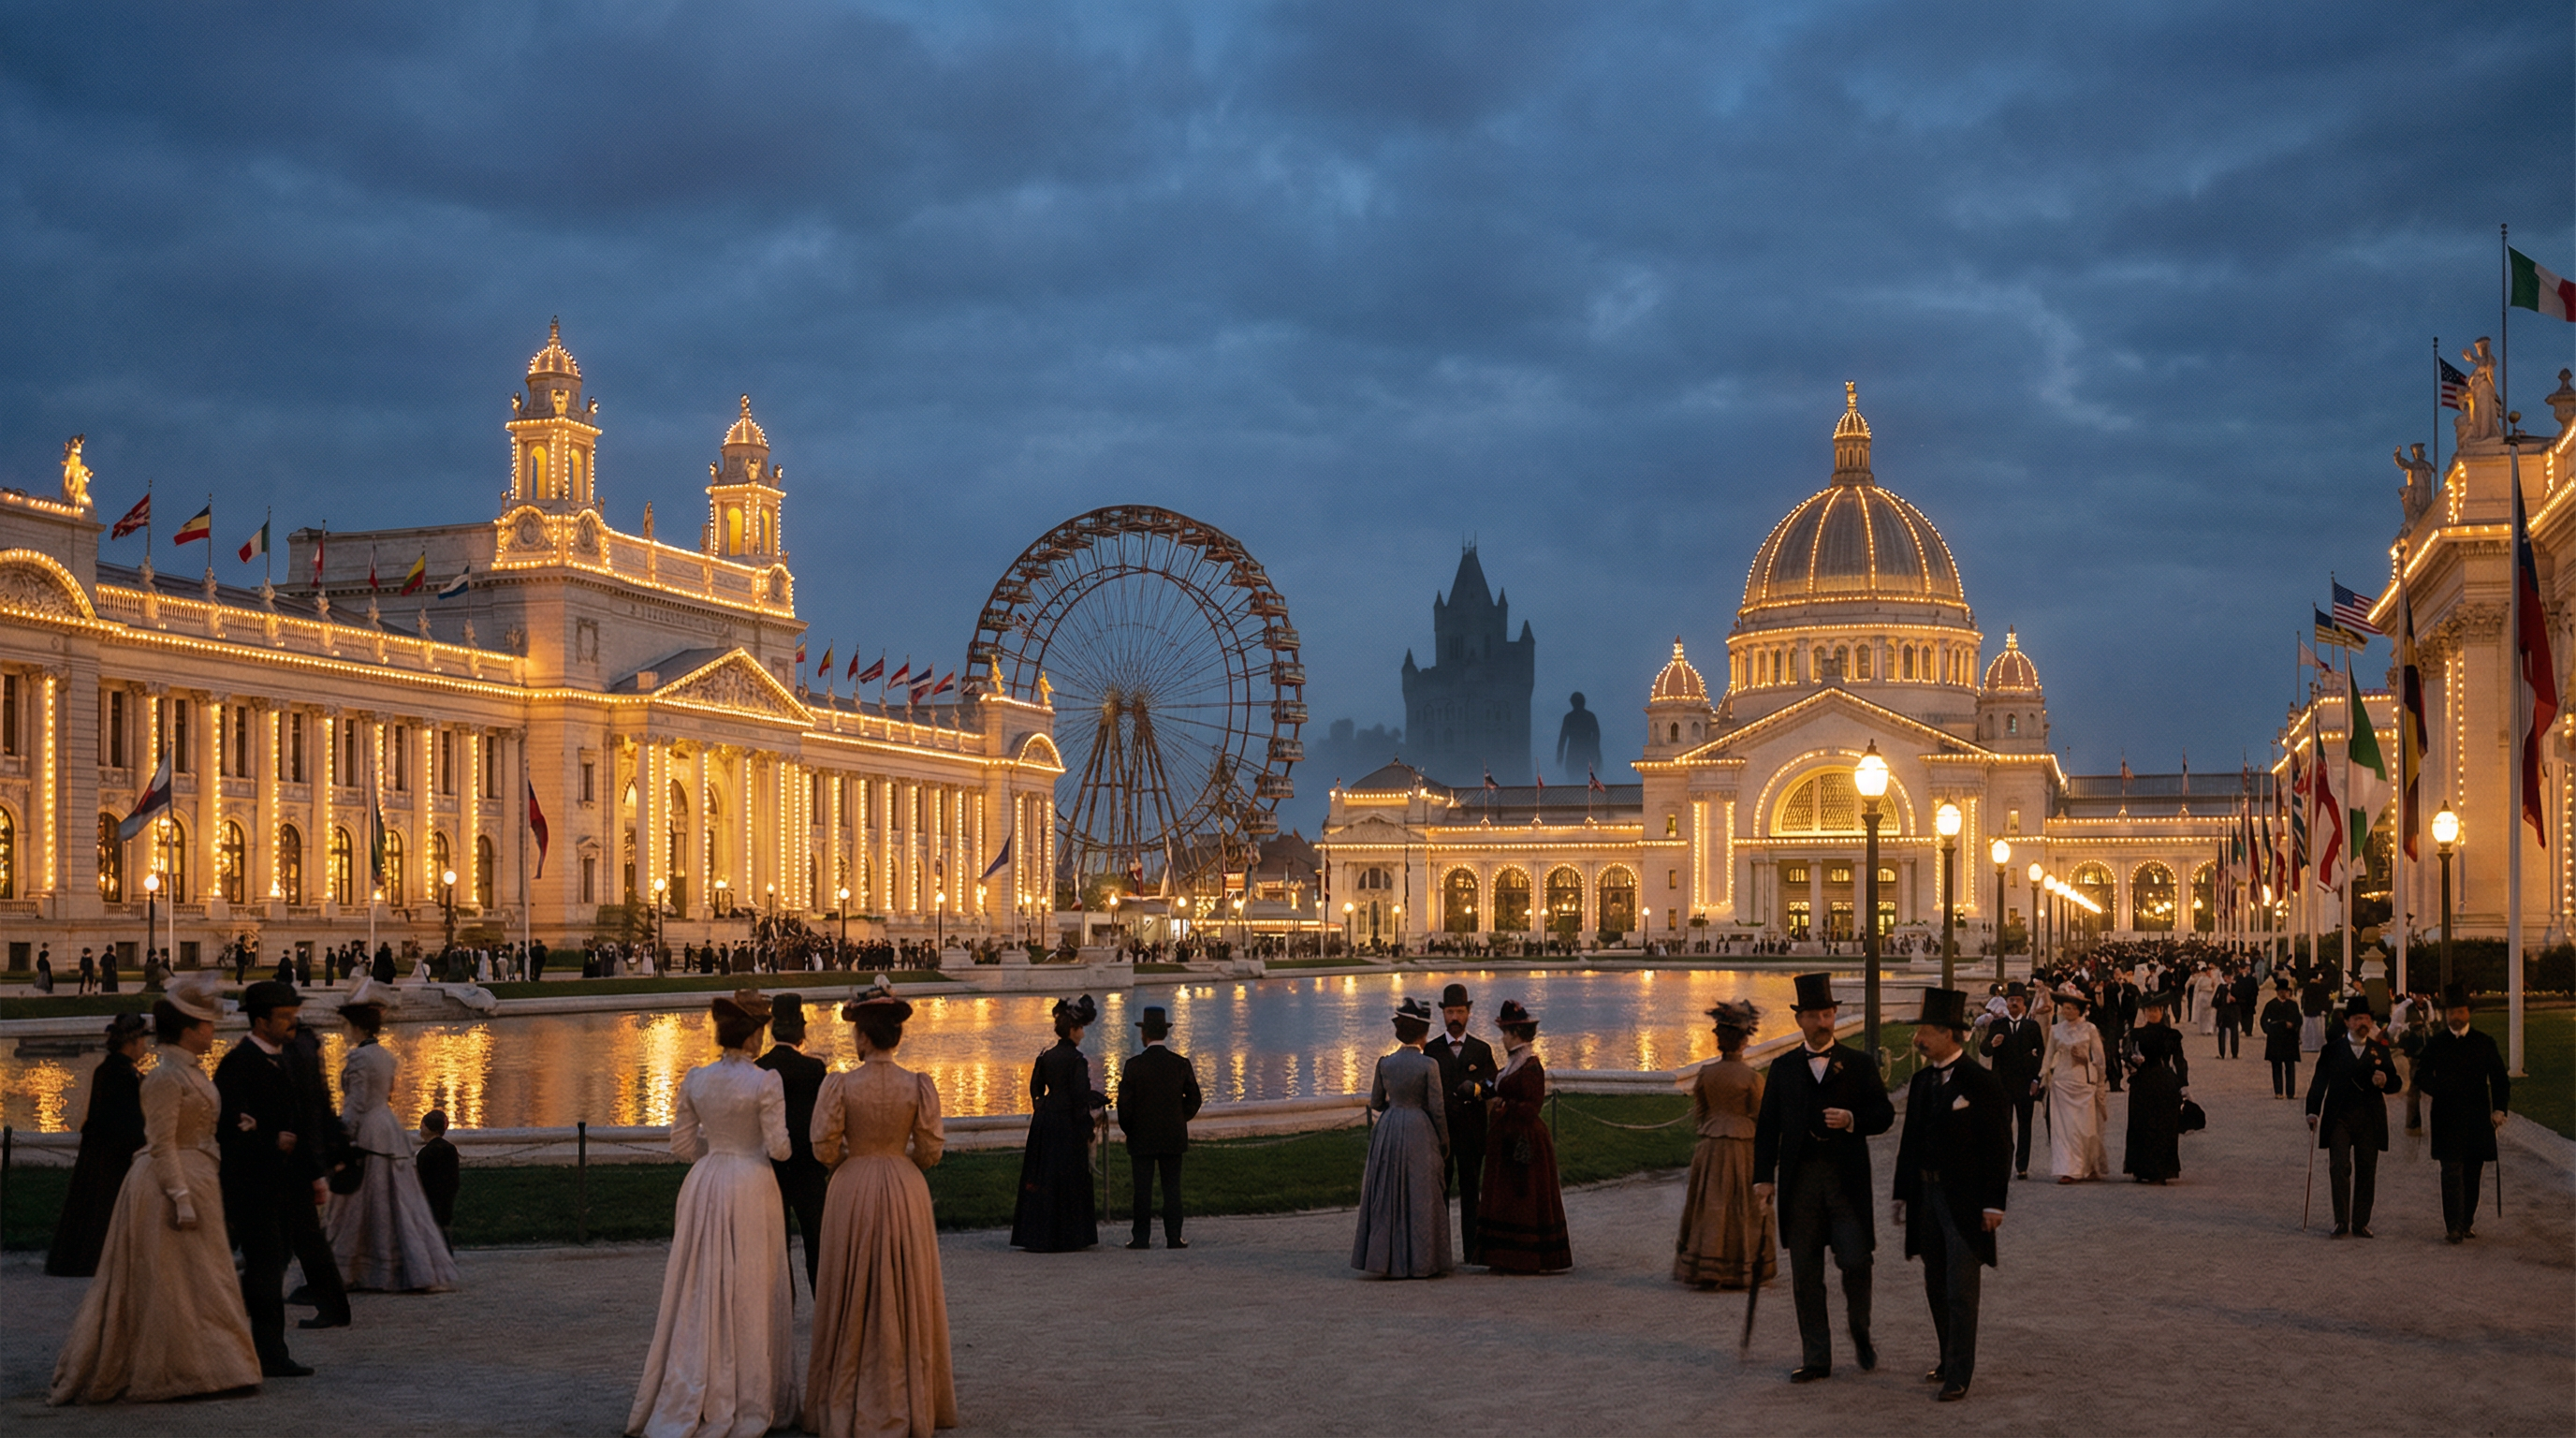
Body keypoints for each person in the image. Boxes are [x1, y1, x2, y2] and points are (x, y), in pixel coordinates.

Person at [49, 973, 263, 1403]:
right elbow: (161, 1142)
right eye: (206, 1025)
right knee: (173, 1286)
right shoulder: (164, 1077)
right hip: (168, 1185)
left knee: (206, 1281)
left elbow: (195, 1122)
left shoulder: (188, 1072)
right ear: (187, 1030)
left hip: (196, 1178)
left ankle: (216, 1367)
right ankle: (180, 1371)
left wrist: (233, 1125)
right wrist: (180, 1196)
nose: (212, 1030)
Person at [628, 990, 798, 1438]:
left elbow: (682, 1145)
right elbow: (779, 1148)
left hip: (705, 1185)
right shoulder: (766, 1082)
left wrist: (718, 1149)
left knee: (700, 1289)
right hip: (752, 1184)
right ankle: (749, 1396)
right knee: (752, 1289)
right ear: (755, 1034)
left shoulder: (696, 1078)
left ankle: (697, 1385)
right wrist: (750, 1149)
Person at [805, 978, 956, 1438]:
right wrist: (900, 1160)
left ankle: (847, 1397)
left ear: (864, 1037)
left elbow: (823, 1147)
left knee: (849, 1290)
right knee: (908, 1291)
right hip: (904, 1187)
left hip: (852, 1187)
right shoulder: (918, 1085)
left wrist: (853, 1159)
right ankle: (910, 1397)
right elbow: (930, 1150)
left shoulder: (841, 1086)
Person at [1752, 973, 1895, 1383]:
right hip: (1800, 1185)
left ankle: (1859, 1328)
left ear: (1835, 1015)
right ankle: (1816, 1356)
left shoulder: (1860, 1064)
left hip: (1845, 1184)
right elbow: (1767, 1129)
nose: (1821, 1022)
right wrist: (1763, 1178)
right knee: (1806, 1276)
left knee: (1855, 1261)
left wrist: (1853, 1120)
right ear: (1800, 1020)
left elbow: (1884, 1115)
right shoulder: (1782, 1069)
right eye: (1813, 1015)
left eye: (1827, 1014)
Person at [1891, 990, 2010, 1403]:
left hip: (1965, 1200)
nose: (1918, 1039)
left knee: (1961, 1288)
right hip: (1926, 1194)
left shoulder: (1981, 1081)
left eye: (1925, 1031)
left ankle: (1960, 1373)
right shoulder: (1922, 1081)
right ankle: (1946, 1355)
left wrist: (1995, 1202)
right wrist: (1902, 1193)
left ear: (1948, 1035)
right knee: (1934, 1283)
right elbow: (1910, 1141)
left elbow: (1999, 1145)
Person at [214, 979, 336, 1377]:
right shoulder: (239, 1063)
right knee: (265, 1269)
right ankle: (267, 1353)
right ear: (261, 1020)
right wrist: (270, 1140)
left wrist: (314, 1173)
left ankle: (264, 1348)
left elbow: (300, 1121)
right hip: (255, 1187)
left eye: (294, 1016)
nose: (292, 1023)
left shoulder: (283, 1057)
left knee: (272, 1267)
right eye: (285, 1017)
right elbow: (228, 1129)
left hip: (286, 1184)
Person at [324, 978, 458, 1292]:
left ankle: (357, 1267)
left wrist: (343, 1138)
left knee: (358, 1205)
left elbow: (355, 1105)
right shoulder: (386, 1056)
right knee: (400, 1203)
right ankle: (406, 1265)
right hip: (389, 1129)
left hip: (369, 1133)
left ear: (355, 1026)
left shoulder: (358, 1058)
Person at [1674, 999, 1774, 1289]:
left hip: (1710, 1146)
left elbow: (1701, 1112)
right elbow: (1760, 1117)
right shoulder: (1753, 1078)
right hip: (1743, 1146)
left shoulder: (1706, 1074)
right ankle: (1740, 1265)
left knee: (1710, 1204)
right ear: (1744, 1041)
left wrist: (1709, 1131)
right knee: (1743, 1207)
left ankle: (1706, 1262)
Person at [1352, 997, 1452, 1278]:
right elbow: (1438, 1108)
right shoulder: (1429, 1065)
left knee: (1386, 1194)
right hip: (1419, 1128)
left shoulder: (1385, 1063)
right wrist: (1444, 1142)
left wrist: (1394, 1107)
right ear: (1423, 1033)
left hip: (1389, 1126)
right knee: (1420, 1195)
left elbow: (1375, 1102)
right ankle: (1421, 1260)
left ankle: (1384, 1259)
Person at [45, 1013, 151, 1277]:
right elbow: (128, 1120)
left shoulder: (110, 1069)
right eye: (143, 1042)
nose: (146, 1048)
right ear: (133, 1042)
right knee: (103, 1211)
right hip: (114, 1156)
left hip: (102, 1150)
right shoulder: (121, 1073)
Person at [2411, 982, 2511, 1243]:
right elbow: (2420, 1075)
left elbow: (2500, 1079)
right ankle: (2452, 1227)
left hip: (2478, 1118)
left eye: (2460, 1012)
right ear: (2446, 1015)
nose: (2455, 1017)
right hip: (2445, 1116)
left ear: (2468, 1013)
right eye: (2451, 1013)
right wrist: (2438, 1089)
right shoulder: (2437, 1043)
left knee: (2472, 1174)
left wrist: (2500, 1109)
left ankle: (2467, 1221)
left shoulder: (2484, 1043)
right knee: (2450, 1172)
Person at [1478, 1000, 1571, 1272]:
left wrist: (1506, 1106)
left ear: (1515, 1035)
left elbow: (1533, 1107)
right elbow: (1497, 1085)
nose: (1503, 1039)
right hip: (1506, 1136)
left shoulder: (1530, 1067)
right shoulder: (1514, 1064)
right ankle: (1504, 1255)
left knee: (1522, 1195)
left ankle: (1523, 1256)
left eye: (1505, 1034)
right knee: (1507, 1195)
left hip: (1524, 1140)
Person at [2305, 993, 2403, 1238]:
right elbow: (2319, 1082)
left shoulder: (2379, 1051)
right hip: (2339, 1116)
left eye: (2367, 1019)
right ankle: (2341, 1220)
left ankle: (2361, 1222)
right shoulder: (2332, 1050)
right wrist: (2312, 1111)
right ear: (2348, 1021)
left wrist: (2386, 1081)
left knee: (2367, 1169)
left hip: (2370, 1118)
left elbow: (2396, 1083)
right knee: (2339, 1166)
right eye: (2358, 1018)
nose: (2363, 1023)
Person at [1010, 994, 1103, 1252]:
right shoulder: (1077, 1060)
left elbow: (1036, 1089)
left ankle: (1039, 1232)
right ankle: (1069, 1235)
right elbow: (1079, 1098)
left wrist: (1044, 1108)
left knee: (1044, 1175)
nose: (1083, 1034)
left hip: (1046, 1122)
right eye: (1081, 1029)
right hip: (1066, 1125)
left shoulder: (1045, 1056)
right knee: (1068, 1176)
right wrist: (1087, 1130)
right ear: (1072, 1030)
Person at [758, 993, 831, 1299]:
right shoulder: (814, 1069)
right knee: (817, 1243)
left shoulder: (759, 1069)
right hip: (809, 1169)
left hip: (771, 1170)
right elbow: (823, 1118)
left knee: (777, 1246)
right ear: (801, 1031)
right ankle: (824, 1305)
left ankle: (782, 1307)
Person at [1117, 1005, 1204, 1251]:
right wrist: (1179, 1117)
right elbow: (1195, 1099)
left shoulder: (1133, 1065)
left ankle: (1141, 1237)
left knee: (1142, 1190)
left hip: (1141, 1136)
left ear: (1144, 1034)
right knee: (1172, 1188)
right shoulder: (1180, 1063)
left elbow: (1124, 1105)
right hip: (1172, 1135)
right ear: (1165, 1033)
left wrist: (1130, 1128)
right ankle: (1174, 1237)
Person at [1423, 982, 1499, 1262]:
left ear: (1468, 1013)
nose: (1454, 1018)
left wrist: (1477, 1089)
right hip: (1440, 1135)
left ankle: (1473, 1253)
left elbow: (1493, 1084)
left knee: (1471, 1195)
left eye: (1459, 1012)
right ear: (1443, 1014)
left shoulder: (1482, 1049)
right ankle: (1440, 1253)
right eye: (1450, 1012)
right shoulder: (1431, 1050)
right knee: (1439, 1195)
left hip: (1471, 1133)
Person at [2039, 988, 2109, 1182]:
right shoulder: (2055, 1030)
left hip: (2083, 1083)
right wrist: (2040, 1077)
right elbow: (2048, 1056)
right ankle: (2068, 1169)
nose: (2067, 1012)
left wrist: (2087, 1061)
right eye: (2065, 1008)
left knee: (2086, 1129)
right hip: (2061, 1083)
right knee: (2064, 1129)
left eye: (2071, 1008)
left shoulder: (2090, 1030)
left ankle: (2089, 1165)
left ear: (2079, 1010)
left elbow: (2100, 1058)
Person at [1978, 983, 2044, 1181]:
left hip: (2025, 1084)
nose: (2014, 1004)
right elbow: (1984, 1049)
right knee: (2003, 1127)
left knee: (2025, 1126)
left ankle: (2022, 1166)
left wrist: (2036, 1080)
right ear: (2006, 1003)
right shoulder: (1998, 1026)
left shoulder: (2032, 1027)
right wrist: (1992, 1044)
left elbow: (2041, 1054)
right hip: (2003, 1084)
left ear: (2024, 1005)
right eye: (2011, 1000)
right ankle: (2004, 1164)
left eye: (2018, 1001)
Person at [2122, 992, 2189, 1184]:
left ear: (2162, 1012)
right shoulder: (2135, 1034)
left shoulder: (2172, 1035)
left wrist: (2183, 1083)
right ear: (2144, 1013)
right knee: (2141, 1124)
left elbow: (2179, 1060)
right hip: (2142, 1082)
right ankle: (2141, 1168)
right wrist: (2133, 1063)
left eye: (2156, 1010)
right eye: (2149, 1010)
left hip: (2164, 1082)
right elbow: (2126, 1057)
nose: (2153, 1013)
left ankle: (2161, 1169)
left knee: (2163, 1127)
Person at [415, 1109, 461, 1252]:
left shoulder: (425, 1153)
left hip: (429, 1199)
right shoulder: (450, 1149)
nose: (420, 1129)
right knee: (443, 1229)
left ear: (428, 1127)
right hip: (445, 1198)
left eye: (422, 1125)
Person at [2260, 976, 2304, 1098]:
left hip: (2290, 1038)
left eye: (2285, 991)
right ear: (2277, 991)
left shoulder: (2293, 1005)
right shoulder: (2271, 1004)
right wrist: (2270, 1030)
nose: (2283, 993)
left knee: (2290, 1066)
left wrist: (2294, 1026)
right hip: (2276, 1038)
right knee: (2276, 1066)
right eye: (2281, 991)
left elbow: (2299, 1020)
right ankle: (2278, 1091)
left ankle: (2291, 1092)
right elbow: (2263, 1021)